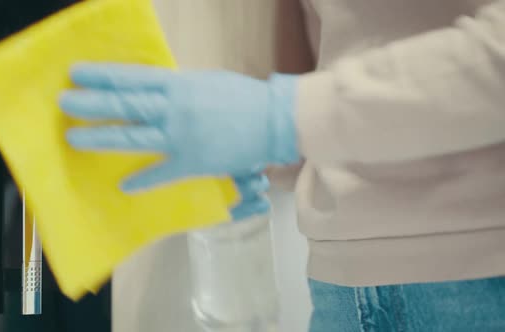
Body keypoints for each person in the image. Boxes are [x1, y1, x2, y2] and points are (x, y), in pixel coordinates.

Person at [58, 0, 505, 330]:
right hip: (342, 279)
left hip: (483, 275)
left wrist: (276, 115)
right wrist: (258, 148)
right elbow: (329, 68)